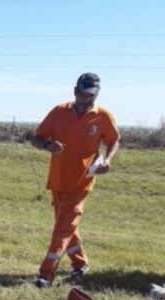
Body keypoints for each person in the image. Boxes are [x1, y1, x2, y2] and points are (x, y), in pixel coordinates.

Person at [31, 73, 120, 288]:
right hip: (58, 179)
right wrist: (47, 145)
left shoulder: (103, 116)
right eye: (81, 93)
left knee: (62, 228)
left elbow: (114, 141)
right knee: (65, 226)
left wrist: (107, 160)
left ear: (96, 94)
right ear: (74, 90)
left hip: (82, 181)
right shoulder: (59, 111)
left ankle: (46, 274)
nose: (84, 98)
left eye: (89, 95)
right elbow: (36, 138)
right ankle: (80, 265)